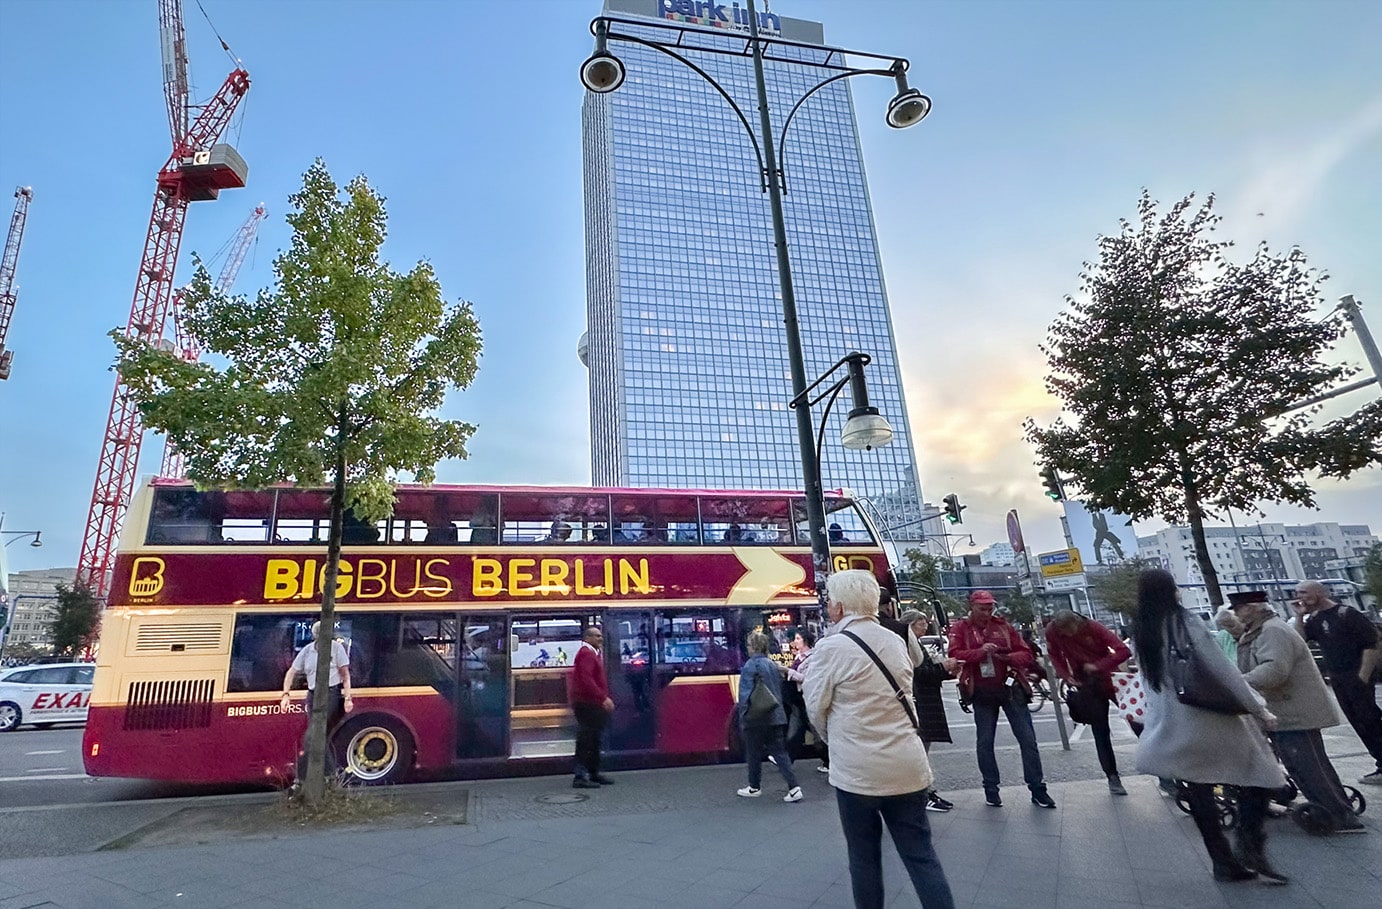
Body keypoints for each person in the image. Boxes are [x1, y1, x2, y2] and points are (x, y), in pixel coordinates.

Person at [804, 570, 955, 909]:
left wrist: (836, 740)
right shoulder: (896, 641)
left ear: (840, 608)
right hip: (908, 766)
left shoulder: (831, 647)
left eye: (830, 602)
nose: (828, 607)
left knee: (864, 859)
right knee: (921, 857)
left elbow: (815, 708)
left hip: (858, 775)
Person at [1132, 570, 1287, 884]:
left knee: (1199, 789)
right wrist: (1257, 706)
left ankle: (1222, 861)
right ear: (1170, 590)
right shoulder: (1185, 621)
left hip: (1172, 722)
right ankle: (1249, 842)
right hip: (1208, 716)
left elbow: (1151, 684)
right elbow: (1222, 669)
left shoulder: (1140, 629)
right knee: (1262, 773)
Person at [1231, 590, 1366, 834]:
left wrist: (1241, 682)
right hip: (1286, 711)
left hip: (1294, 712)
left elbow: (1274, 670)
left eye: (1238, 608)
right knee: (1306, 764)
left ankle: (1339, 816)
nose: (1235, 613)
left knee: (1309, 766)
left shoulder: (1272, 631)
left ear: (1251, 608)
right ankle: (1337, 808)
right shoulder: (1262, 630)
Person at [947, 590, 1055, 809]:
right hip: (981, 691)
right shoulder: (961, 628)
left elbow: (1025, 654)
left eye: (989, 608)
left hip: (1010, 687)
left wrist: (1006, 657)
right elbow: (954, 654)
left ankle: (1037, 789)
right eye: (982, 609)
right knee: (985, 741)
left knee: (1028, 740)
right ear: (972, 606)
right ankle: (991, 789)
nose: (987, 613)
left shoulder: (1003, 626)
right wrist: (979, 652)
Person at [1292, 580, 1382, 786]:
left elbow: (1371, 644)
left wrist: (1363, 676)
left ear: (1319, 593)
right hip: (1338, 677)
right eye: (1298, 593)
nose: (1300, 597)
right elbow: (1300, 642)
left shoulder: (1346, 614)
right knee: (1358, 721)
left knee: (1370, 720)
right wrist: (1299, 616)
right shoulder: (1314, 619)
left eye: (1304, 592)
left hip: (1356, 675)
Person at [1044, 609, 1132, 795]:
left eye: (1070, 631)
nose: (1067, 635)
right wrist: (1066, 675)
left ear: (1077, 623)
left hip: (1110, 677)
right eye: (1063, 632)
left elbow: (1124, 651)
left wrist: (1098, 665)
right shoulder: (1053, 631)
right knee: (1100, 730)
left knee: (1137, 721)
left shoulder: (1094, 627)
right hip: (1085, 682)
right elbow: (1055, 655)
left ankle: (1164, 776)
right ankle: (1112, 776)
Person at [280, 621, 353, 783]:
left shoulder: (337, 649)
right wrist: (286, 694)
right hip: (313, 695)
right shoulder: (307, 651)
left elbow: (345, 675)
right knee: (321, 737)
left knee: (312, 736)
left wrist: (348, 698)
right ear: (315, 636)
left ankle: (302, 778)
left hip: (331, 694)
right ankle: (330, 776)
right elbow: (291, 672)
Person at [900, 609, 957, 812]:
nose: (925, 626)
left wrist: (945, 671)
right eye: (920, 623)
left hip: (926, 701)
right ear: (910, 625)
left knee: (923, 747)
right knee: (920, 749)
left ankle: (926, 791)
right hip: (921, 701)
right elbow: (918, 673)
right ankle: (923, 793)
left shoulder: (915, 644)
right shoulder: (908, 645)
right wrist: (943, 668)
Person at [737, 632, 802, 801]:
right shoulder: (772, 665)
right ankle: (794, 787)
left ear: (754, 647)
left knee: (753, 753)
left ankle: (754, 786)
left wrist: (743, 716)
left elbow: (745, 695)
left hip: (756, 717)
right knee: (780, 753)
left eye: (749, 645)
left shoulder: (750, 666)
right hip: (776, 715)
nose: (748, 648)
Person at [569, 625, 615, 789]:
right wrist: (603, 698)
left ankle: (593, 772)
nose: (600, 639)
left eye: (600, 636)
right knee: (587, 739)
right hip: (587, 704)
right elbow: (586, 679)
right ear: (587, 638)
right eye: (596, 636)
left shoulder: (592, 653)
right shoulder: (587, 654)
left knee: (594, 739)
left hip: (590, 702)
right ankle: (581, 776)